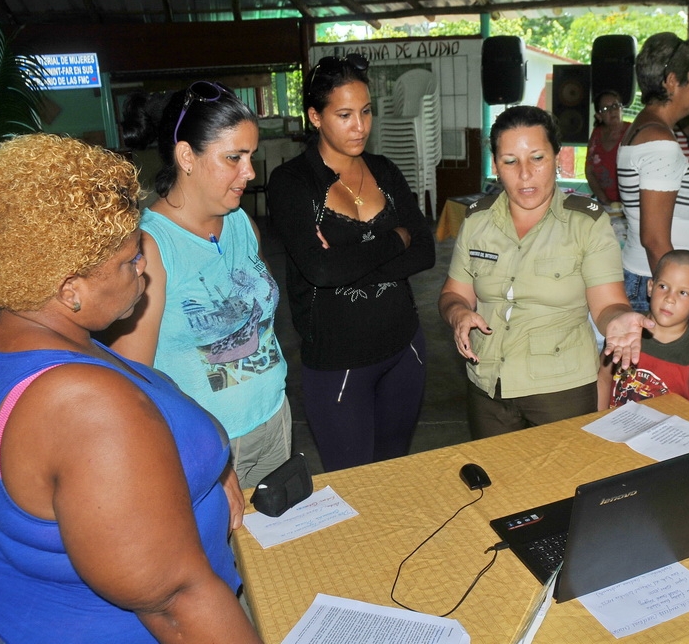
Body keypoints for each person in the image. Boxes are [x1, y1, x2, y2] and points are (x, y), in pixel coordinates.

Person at [0, 133, 260, 642]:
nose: (143, 268)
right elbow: (176, 604)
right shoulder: (90, 409)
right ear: (69, 289)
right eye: (128, 260)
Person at [106, 81, 290, 490]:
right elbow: (133, 381)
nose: (250, 172)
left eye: (250, 156)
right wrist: (199, 452)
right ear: (186, 156)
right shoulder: (151, 248)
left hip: (274, 417)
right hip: (209, 444)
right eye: (234, 158)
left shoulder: (241, 222)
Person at [439, 105, 652, 439]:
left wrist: (619, 318)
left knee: (560, 488)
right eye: (510, 161)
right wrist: (458, 314)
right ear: (496, 166)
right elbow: (454, 293)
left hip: (560, 390)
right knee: (496, 486)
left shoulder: (587, 224)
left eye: (537, 158)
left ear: (557, 158)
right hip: (487, 385)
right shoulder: (477, 221)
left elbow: (606, 304)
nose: (525, 174)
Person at [266, 54, 435, 472]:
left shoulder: (384, 171)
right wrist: (396, 237)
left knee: (393, 472)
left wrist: (347, 259)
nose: (359, 126)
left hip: (404, 350)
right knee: (353, 486)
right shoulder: (292, 183)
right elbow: (320, 272)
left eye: (365, 111)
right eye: (344, 114)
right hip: (339, 362)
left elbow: (427, 251)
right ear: (315, 116)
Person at [617, 32, 689, 313]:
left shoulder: (645, 129)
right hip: (656, 283)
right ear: (673, 81)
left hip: (652, 279)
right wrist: (676, 296)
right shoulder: (659, 142)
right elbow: (655, 239)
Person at [607, 250, 689, 415]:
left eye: (683, 293)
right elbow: (603, 379)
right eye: (663, 286)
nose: (669, 298)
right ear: (650, 287)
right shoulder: (627, 330)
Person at [585, 89, 630, 206]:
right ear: (599, 116)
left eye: (615, 106)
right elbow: (589, 171)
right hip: (605, 204)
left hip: (631, 204)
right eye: (606, 109)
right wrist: (605, 200)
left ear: (621, 108)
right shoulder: (596, 134)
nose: (612, 111)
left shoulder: (633, 132)